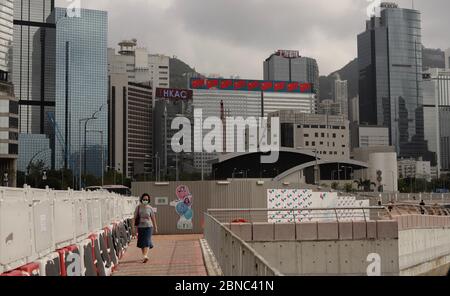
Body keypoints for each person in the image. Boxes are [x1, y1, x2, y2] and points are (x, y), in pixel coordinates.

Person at [134, 193, 158, 263]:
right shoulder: (138, 207)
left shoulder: (150, 208)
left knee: (147, 240)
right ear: (141, 199)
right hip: (140, 227)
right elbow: (135, 217)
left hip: (148, 226)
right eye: (144, 199)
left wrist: (155, 227)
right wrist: (134, 227)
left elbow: (153, 218)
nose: (145, 200)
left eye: (146, 199)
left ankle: (145, 256)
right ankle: (144, 255)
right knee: (142, 242)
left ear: (148, 200)